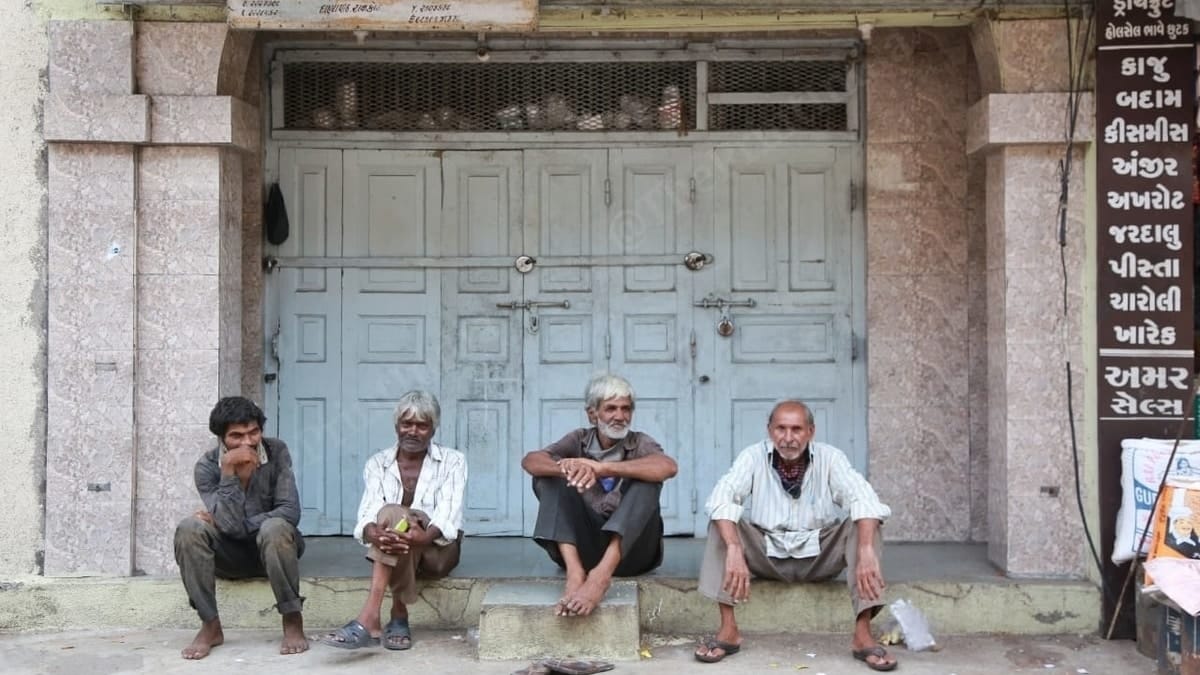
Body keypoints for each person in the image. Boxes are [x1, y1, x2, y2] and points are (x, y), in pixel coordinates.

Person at [694, 400, 897, 672]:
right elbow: (720, 498)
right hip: (767, 552)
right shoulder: (752, 457)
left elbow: (865, 499)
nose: (788, 438)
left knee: (865, 524)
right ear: (769, 430)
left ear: (811, 432)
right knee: (721, 522)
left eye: (797, 429)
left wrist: (865, 551)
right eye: (781, 429)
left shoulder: (830, 458)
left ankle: (862, 634)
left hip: (819, 555)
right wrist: (733, 548)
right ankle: (728, 630)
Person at [521, 372, 678, 617]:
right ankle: (575, 574)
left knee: (648, 481)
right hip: (583, 553)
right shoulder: (579, 439)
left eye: (626, 409)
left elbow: (668, 467)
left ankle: (600, 578)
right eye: (611, 409)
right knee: (548, 478)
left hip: (632, 555)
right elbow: (531, 461)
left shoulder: (639, 443)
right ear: (592, 414)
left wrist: (603, 468)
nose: (619, 416)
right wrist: (567, 468)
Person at [321, 390, 467, 651]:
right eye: (406, 424)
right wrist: (372, 532)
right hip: (397, 545)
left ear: (433, 429)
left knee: (406, 521)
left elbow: (448, 513)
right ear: (396, 426)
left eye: (422, 425)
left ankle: (378, 617)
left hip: (438, 551)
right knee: (392, 515)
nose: (413, 431)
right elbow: (369, 511)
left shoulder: (453, 461)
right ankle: (390, 617)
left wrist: (423, 535)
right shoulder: (378, 463)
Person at [174, 396, 307, 660]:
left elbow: (290, 511)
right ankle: (210, 625)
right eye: (236, 436)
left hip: (275, 549)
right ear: (221, 438)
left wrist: (241, 523)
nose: (247, 442)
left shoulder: (277, 450)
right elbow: (229, 528)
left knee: (274, 527)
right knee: (190, 528)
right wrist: (229, 473)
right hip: (230, 556)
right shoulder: (207, 467)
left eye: (254, 432)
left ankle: (292, 618)